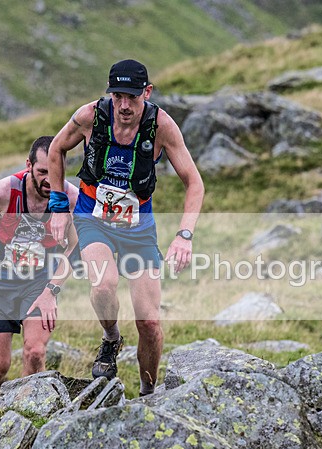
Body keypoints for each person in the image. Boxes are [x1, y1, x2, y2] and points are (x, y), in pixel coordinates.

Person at [47, 59, 205, 396]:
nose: (123, 105)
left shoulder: (161, 126)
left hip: (138, 228)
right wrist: (59, 207)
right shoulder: (90, 116)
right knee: (104, 285)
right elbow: (56, 149)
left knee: (149, 322)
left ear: (146, 93)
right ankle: (111, 338)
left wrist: (184, 235)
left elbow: (194, 182)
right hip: (93, 219)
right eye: (117, 96)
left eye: (132, 97)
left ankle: (148, 394)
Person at [0, 136, 79, 398]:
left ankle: (27, 409)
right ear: (28, 166)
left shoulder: (70, 199)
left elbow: (75, 247)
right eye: (42, 171)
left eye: (54, 171)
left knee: (35, 352)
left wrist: (52, 290)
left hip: (39, 282)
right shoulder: (3, 192)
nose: (48, 179)